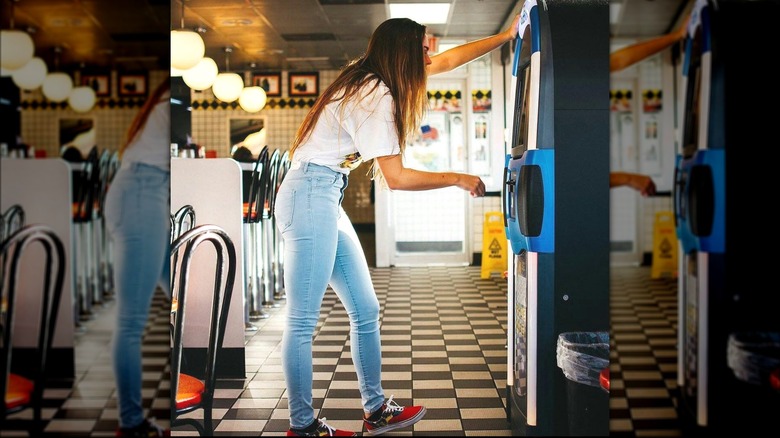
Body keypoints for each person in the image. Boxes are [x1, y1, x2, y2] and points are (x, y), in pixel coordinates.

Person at [273, 15, 520, 437]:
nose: (430, 55)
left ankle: (375, 409)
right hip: (309, 196)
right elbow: (397, 178)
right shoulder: (373, 92)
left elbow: (447, 63)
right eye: (424, 47)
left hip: (325, 195)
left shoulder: (372, 78)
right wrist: (457, 178)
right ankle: (302, 426)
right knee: (301, 320)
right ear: (404, 51)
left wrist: (507, 36)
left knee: (365, 310)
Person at [104, 80, 171, 438]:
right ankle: (131, 424)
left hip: (143, 193)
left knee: (179, 292)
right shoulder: (170, 97)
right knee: (131, 321)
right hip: (142, 195)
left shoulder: (162, 98)